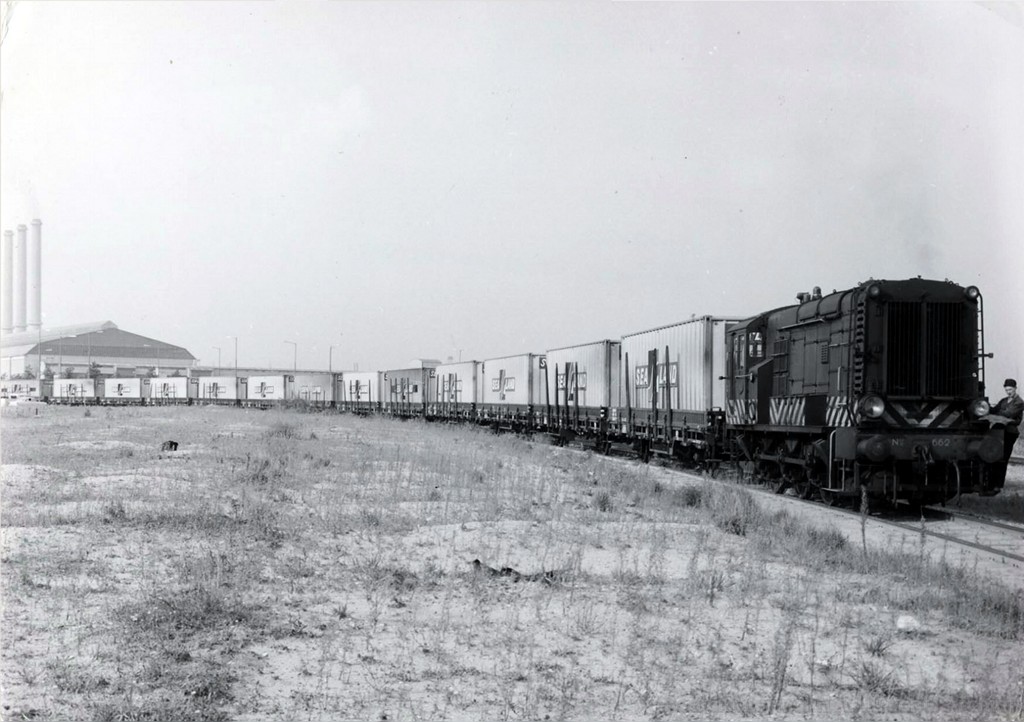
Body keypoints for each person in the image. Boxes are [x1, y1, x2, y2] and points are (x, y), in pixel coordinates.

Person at [990, 378, 1023, 488]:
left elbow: (1008, 414)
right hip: (1000, 431)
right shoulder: (1004, 400)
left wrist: (997, 414)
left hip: (1010, 432)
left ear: (1015, 388)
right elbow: (994, 410)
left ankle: (999, 484)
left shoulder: (1019, 402)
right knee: (996, 457)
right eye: (1006, 390)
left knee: (1003, 458)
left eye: (1010, 389)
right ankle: (993, 483)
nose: (1008, 392)